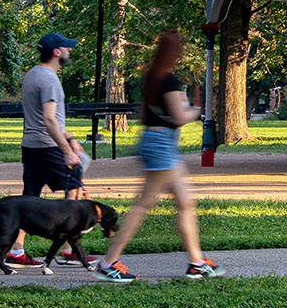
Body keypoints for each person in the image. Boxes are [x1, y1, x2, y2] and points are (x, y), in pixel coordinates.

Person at [93, 31, 225, 283]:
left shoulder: (151, 78)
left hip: (154, 141)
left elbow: (144, 113)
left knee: (185, 202)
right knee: (143, 205)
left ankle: (196, 262)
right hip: (161, 144)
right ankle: (107, 263)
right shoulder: (168, 80)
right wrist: (195, 111)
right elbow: (178, 116)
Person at [12, 32, 86, 270]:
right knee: (73, 190)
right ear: (57, 52)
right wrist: (66, 150)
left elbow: (47, 120)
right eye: (67, 48)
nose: (69, 51)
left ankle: (16, 250)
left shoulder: (32, 74)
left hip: (31, 144)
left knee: (30, 198)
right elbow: (49, 119)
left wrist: (70, 138)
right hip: (47, 145)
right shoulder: (50, 79)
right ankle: (68, 249)